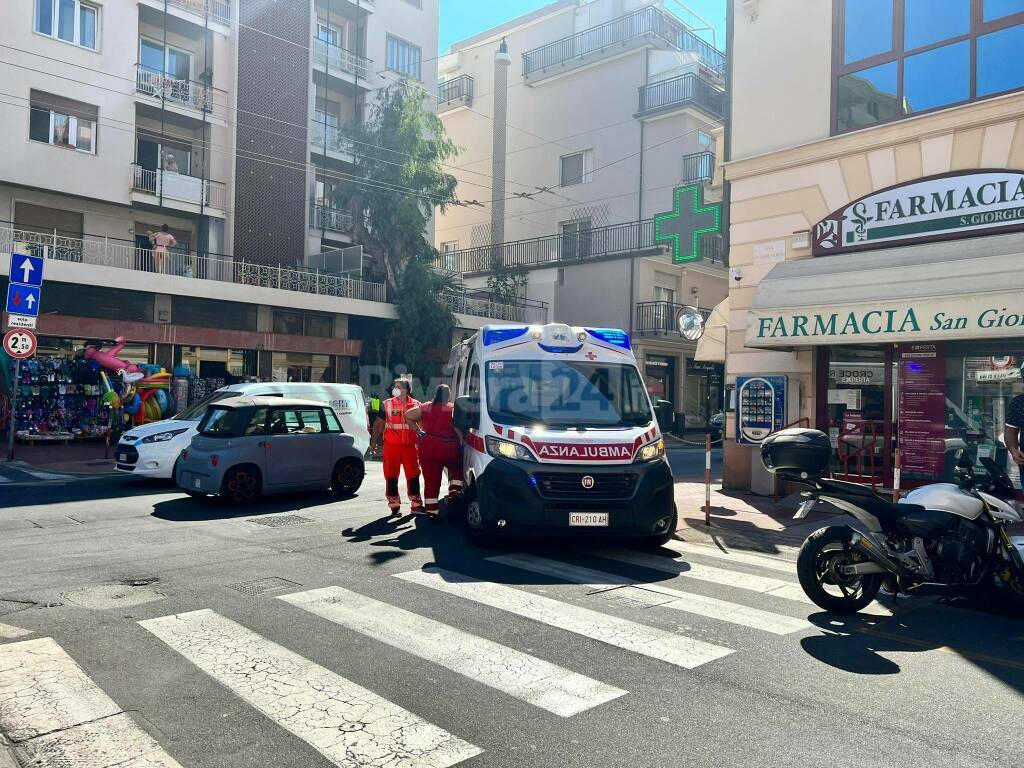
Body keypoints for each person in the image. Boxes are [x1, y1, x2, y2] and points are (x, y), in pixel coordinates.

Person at [405, 384, 463, 518]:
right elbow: (457, 427)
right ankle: (454, 490)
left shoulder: (425, 407)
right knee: (458, 466)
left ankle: (431, 511)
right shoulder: (452, 408)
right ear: (448, 395)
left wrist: (419, 431)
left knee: (431, 481)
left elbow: (407, 415)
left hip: (428, 446)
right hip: (448, 446)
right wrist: (461, 439)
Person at [374, 378, 424, 516]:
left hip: (410, 446)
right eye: (394, 387)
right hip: (391, 447)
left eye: (397, 387)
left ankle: (416, 505)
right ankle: (394, 505)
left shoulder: (416, 404)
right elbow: (378, 424)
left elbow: (422, 427)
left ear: (406, 390)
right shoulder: (386, 404)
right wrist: (373, 443)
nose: (394, 389)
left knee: (413, 475)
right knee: (391, 475)